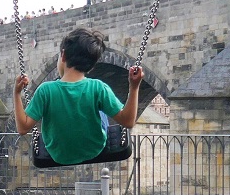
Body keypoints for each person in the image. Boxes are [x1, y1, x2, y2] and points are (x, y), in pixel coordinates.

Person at [13, 27, 143, 165]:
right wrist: (134, 87)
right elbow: (128, 121)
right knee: (99, 109)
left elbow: (23, 128)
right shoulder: (98, 87)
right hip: (94, 149)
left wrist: (17, 93)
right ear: (91, 66)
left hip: (58, 154)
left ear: (63, 55)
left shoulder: (45, 90)